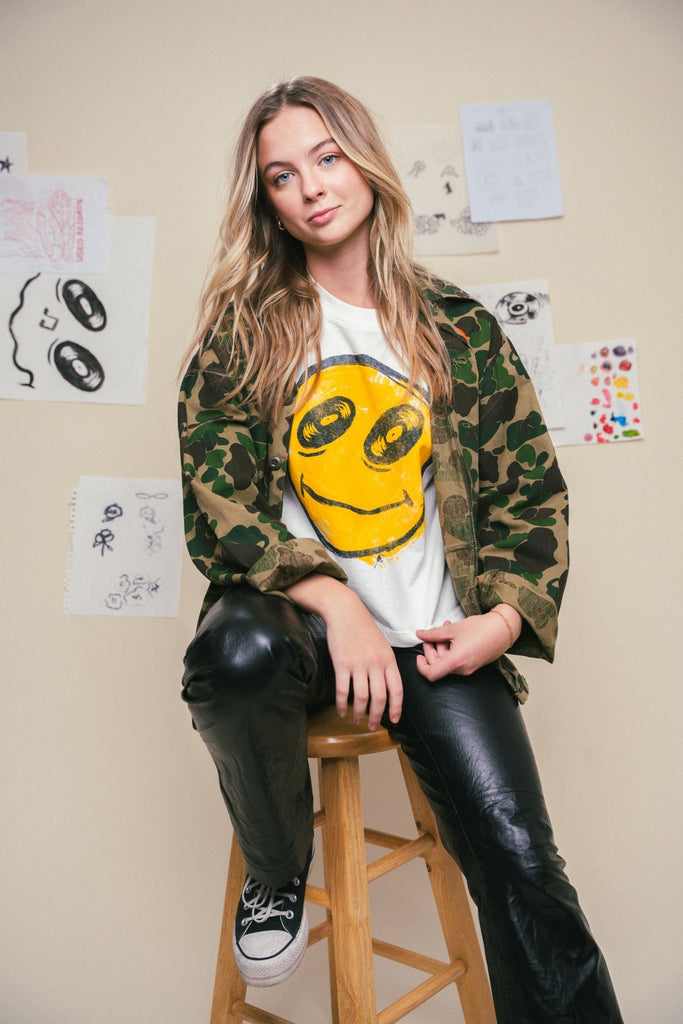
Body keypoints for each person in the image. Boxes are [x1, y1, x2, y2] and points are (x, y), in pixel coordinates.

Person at [178, 76, 623, 1023]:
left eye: (326, 158)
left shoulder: (460, 330)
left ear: (365, 162)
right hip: (301, 632)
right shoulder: (245, 331)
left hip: (432, 638)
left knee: (523, 870)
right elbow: (217, 505)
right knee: (233, 652)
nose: (310, 188)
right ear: (268, 199)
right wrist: (336, 605)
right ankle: (275, 870)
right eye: (282, 174)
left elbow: (530, 497)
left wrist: (498, 623)